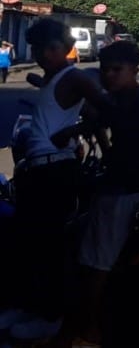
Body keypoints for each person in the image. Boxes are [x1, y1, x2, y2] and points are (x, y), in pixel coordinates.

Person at [54, 39, 139, 346]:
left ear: (134, 70)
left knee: (95, 265)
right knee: (111, 261)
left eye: (117, 70)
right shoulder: (118, 101)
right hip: (126, 187)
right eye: (105, 70)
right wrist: (77, 133)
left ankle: (85, 329)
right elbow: (101, 124)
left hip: (126, 193)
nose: (109, 75)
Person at [0, 20, 107, 342]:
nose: (42, 54)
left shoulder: (75, 76)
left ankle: (49, 318)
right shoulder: (55, 77)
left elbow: (107, 109)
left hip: (54, 173)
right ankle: (26, 307)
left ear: (64, 48)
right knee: (26, 246)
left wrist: (72, 133)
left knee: (47, 248)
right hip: (37, 171)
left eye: (50, 48)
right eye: (36, 49)